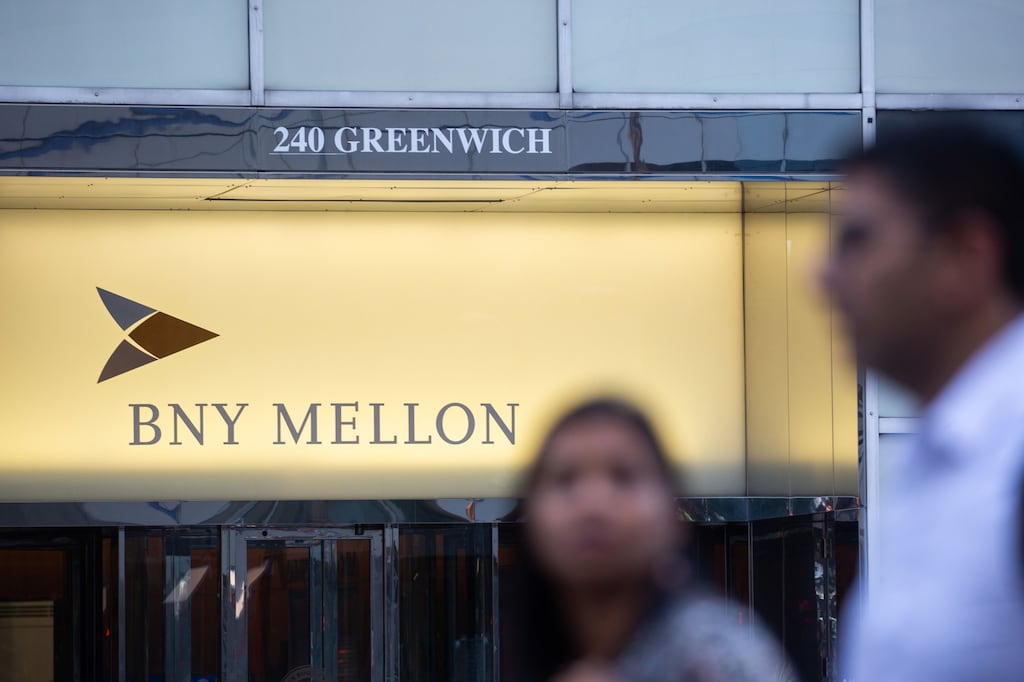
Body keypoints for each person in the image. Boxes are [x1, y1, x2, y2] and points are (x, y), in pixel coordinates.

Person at [821, 124, 1024, 680]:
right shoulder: (945, 456)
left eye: (857, 240)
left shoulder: (1008, 454)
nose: (823, 277)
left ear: (966, 255)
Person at [505, 398, 795, 682]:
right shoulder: (540, 647)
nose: (592, 504)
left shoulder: (717, 652)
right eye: (565, 479)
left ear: (673, 514)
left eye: (623, 477)